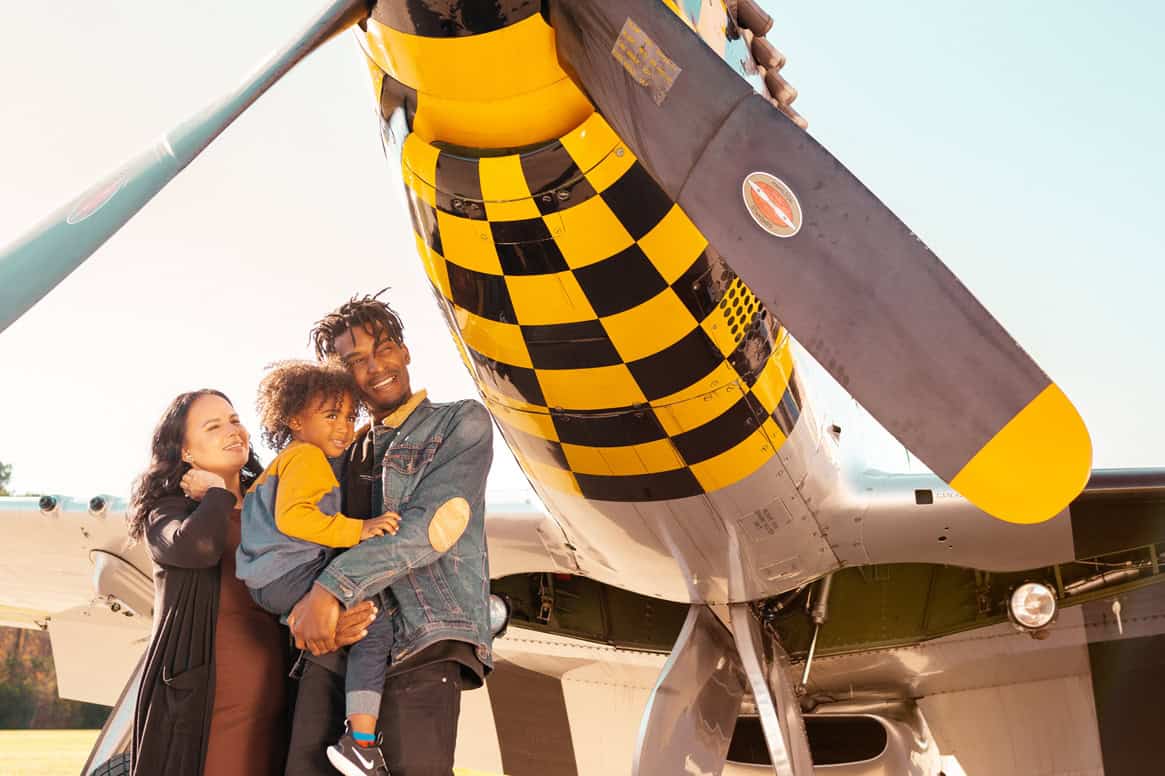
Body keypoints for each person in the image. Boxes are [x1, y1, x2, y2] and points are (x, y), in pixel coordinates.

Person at [283, 292, 495, 776]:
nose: (376, 367)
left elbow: (429, 530)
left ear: (404, 351)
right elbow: (291, 532)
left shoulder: (460, 422)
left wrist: (329, 590)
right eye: (355, 361)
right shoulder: (334, 454)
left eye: (384, 349)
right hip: (337, 647)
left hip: (423, 643)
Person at [128, 389, 375, 776]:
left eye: (235, 419)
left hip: (280, 702)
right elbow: (201, 547)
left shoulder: (278, 504)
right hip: (201, 714)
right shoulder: (167, 512)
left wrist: (326, 622)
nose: (233, 431)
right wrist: (215, 494)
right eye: (214, 426)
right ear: (186, 452)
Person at [235, 361, 400, 776]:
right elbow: (296, 519)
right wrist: (359, 529)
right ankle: (361, 742)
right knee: (377, 624)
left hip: (268, 584)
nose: (343, 427)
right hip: (292, 570)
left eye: (349, 417)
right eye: (331, 416)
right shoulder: (306, 457)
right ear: (293, 419)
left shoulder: (285, 464)